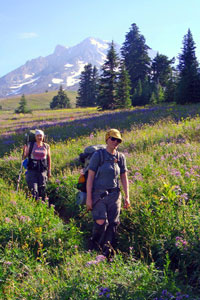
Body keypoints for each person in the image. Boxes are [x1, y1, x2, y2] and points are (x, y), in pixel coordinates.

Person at [86, 128, 130, 258]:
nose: (115, 142)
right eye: (113, 139)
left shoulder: (120, 157)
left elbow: (124, 177)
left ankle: (107, 251)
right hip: (98, 194)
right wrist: (89, 198)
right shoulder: (98, 156)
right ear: (107, 139)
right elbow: (90, 177)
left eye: (118, 140)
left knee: (113, 223)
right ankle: (95, 246)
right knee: (100, 222)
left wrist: (127, 196)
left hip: (115, 195)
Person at [23, 129, 51, 200]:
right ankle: (35, 204)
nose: (39, 137)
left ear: (43, 137)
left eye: (41, 136)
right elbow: (24, 156)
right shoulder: (31, 145)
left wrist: (49, 171)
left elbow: (49, 159)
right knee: (33, 189)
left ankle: (43, 204)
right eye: (38, 136)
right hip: (32, 170)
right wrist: (24, 150)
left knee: (42, 188)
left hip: (42, 170)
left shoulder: (46, 146)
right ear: (35, 137)